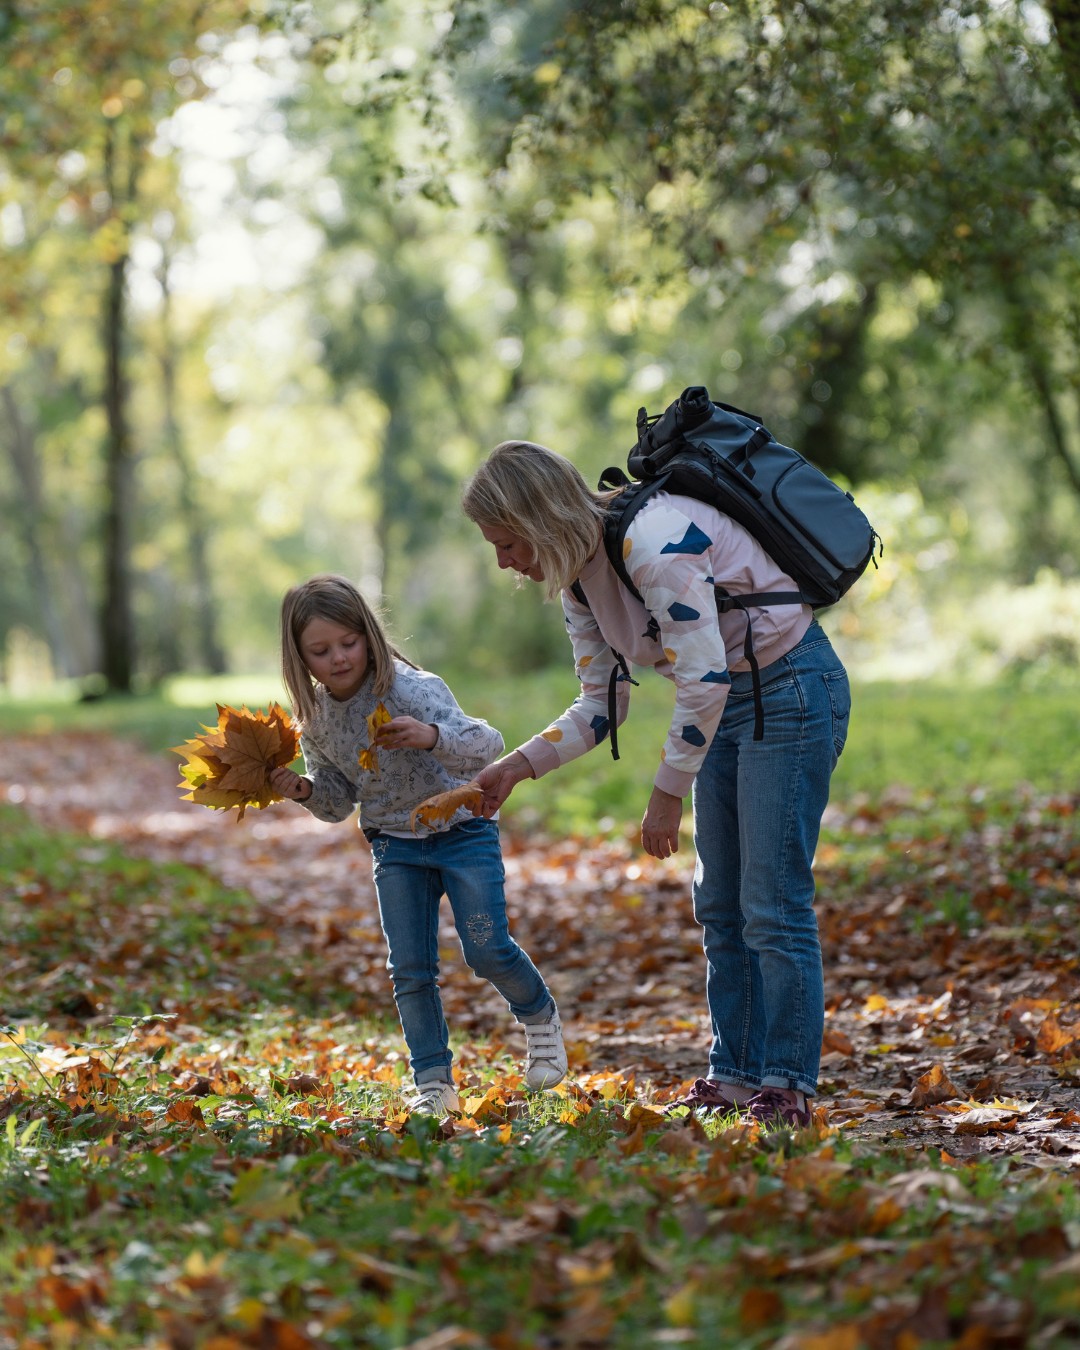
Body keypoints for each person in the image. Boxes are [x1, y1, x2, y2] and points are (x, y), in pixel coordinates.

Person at [462, 441, 850, 1128]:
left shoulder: (655, 540)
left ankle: (788, 1083)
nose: (505, 562)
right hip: (731, 702)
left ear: (542, 517)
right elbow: (599, 704)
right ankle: (734, 1075)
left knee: (770, 900)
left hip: (789, 689)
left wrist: (667, 792)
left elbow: (703, 680)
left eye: (508, 542)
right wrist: (515, 767)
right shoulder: (580, 577)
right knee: (720, 905)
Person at [269, 573, 567, 1117]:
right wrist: (303, 790)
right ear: (300, 658)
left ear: (369, 635)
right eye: (320, 650)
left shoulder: (411, 688)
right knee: (410, 968)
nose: (338, 658)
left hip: (462, 832)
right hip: (394, 847)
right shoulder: (315, 720)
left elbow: (487, 746)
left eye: (349, 642)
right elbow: (337, 802)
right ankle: (434, 1083)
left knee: (486, 948)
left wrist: (432, 737)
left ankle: (540, 1017)